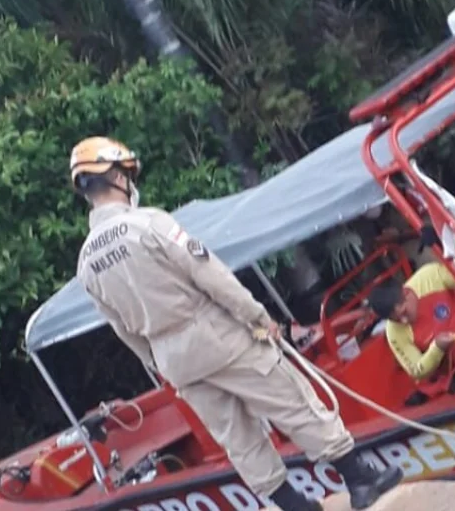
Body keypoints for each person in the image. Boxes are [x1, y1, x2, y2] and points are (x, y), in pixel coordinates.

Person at [69, 136, 401, 511]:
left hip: (174, 360)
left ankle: (294, 506)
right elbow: (210, 275)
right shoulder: (147, 224)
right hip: (215, 335)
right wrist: (257, 317)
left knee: (237, 438)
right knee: (291, 401)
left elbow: (123, 330)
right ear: (116, 176)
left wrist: (159, 361)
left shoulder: (86, 265)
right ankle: (359, 479)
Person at [366, 225, 455, 398]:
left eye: (404, 313)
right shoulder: (394, 332)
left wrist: (454, 248)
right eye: (396, 319)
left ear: (407, 294)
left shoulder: (429, 277)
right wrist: (437, 349)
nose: (403, 321)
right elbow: (416, 370)